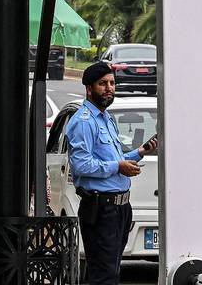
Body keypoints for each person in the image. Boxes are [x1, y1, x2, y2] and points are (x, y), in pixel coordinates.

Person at [66, 61, 158, 285]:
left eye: (112, 83)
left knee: (112, 272)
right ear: (89, 89)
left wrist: (139, 152)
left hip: (119, 209)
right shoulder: (84, 122)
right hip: (100, 208)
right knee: (104, 275)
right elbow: (81, 165)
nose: (109, 88)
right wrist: (119, 166)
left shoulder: (106, 118)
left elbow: (112, 158)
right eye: (102, 84)